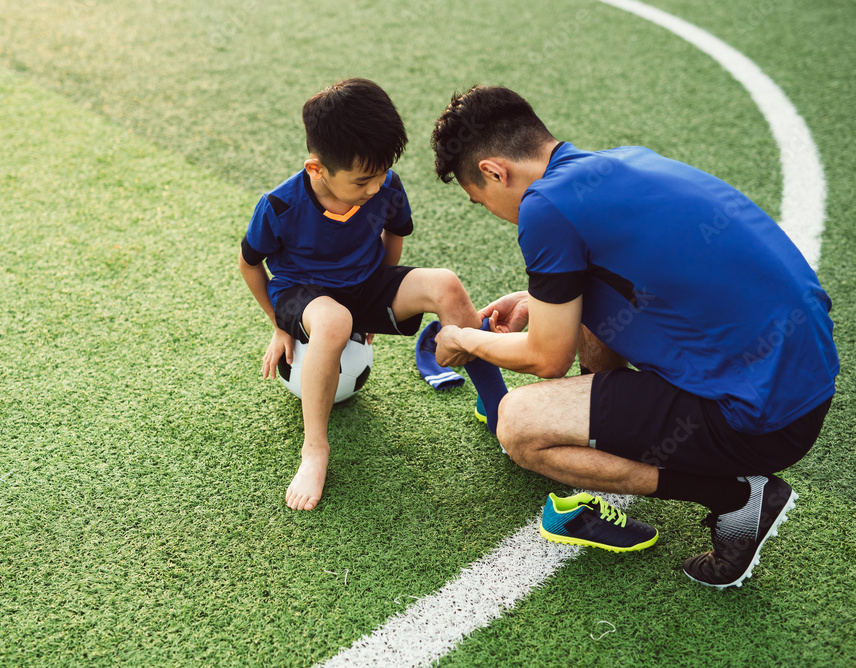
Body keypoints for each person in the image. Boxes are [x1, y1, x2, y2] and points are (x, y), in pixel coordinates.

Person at [429, 85, 838, 587]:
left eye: (480, 199)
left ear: (495, 171)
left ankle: (736, 496)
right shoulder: (621, 162)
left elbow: (546, 357)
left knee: (517, 425)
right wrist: (536, 300)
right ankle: (615, 426)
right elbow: (633, 276)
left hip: (758, 420)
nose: (490, 209)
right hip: (803, 384)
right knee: (582, 308)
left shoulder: (544, 207)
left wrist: (462, 340)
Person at [239, 78, 507, 511]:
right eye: (363, 180)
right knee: (333, 321)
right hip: (300, 294)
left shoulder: (386, 186)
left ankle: (496, 405)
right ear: (317, 169)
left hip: (363, 285)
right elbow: (250, 264)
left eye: (383, 173)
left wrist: (379, 303)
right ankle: (315, 449)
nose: (376, 187)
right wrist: (279, 323)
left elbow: (393, 237)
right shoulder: (280, 206)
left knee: (445, 284)